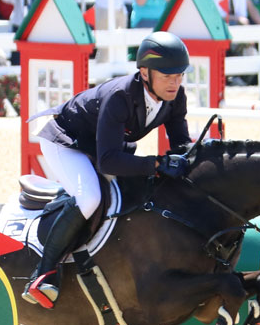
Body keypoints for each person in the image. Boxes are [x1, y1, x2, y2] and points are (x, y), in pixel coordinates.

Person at [23, 31, 193, 308]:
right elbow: (109, 161)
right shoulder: (120, 97)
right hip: (67, 142)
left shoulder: (176, 97)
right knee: (90, 198)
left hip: (105, 145)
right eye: (167, 77)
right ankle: (43, 273)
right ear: (145, 73)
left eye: (179, 76)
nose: (174, 83)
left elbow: (181, 144)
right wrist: (156, 164)